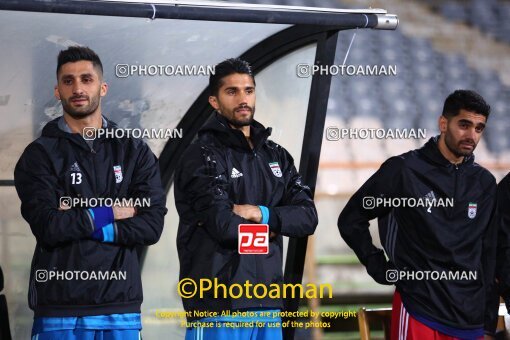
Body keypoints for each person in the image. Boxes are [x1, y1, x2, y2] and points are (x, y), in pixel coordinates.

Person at [14, 46, 167, 339]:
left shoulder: (134, 151)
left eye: (86, 79)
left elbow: (151, 225)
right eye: (68, 81)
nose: (78, 88)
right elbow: (49, 227)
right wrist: (111, 212)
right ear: (57, 91)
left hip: (120, 308)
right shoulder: (39, 155)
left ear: (103, 87)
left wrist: (79, 218)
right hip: (60, 310)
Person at [174, 58, 318, 340]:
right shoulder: (201, 155)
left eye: (249, 90)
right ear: (214, 101)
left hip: (269, 302)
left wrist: (262, 214)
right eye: (232, 92)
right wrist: (275, 229)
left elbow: (308, 218)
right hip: (219, 305)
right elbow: (225, 227)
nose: (243, 99)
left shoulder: (276, 155)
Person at [338, 90, 496, 339]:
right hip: (420, 308)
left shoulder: (484, 183)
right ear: (443, 123)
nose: (471, 135)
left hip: (470, 319)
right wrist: (377, 265)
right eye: (464, 125)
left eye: (479, 128)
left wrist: (487, 323)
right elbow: (351, 218)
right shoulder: (403, 170)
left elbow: (488, 253)